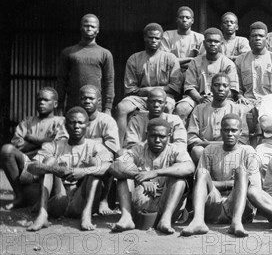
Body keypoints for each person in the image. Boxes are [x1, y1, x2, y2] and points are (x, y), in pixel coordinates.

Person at [26, 107, 113, 231]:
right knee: (49, 161)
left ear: (87, 125)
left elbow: (110, 167)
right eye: (72, 123)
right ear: (66, 126)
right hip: (60, 198)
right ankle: (43, 214)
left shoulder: (95, 146)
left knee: (95, 164)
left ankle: (86, 215)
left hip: (82, 199)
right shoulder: (55, 145)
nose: (76, 126)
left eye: (80, 123)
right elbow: (31, 166)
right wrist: (55, 170)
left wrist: (83, 171)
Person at [109, 118, 195, 234]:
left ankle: (165, 220)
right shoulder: (138, 149)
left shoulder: (175, 150)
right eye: (153, 136)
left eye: (162, 137)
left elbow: (189, 167)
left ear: (169, 136)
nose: (157, 140)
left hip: (167, 206)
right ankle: (126, 217)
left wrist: (155, 172)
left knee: (180, 180)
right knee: (122, 176)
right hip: (139, 208)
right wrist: (141, 178)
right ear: (146, 135)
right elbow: (115, 166)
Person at [181, 113, 261, 237]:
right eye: (226, 130)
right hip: (214, 204)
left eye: (234, 130)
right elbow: (201, 183)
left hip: (239, 205)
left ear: (240, 132)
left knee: (241, 172)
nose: (230, 134)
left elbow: (252, 186)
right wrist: (232, 184)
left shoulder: (248, 151)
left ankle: (236, 222)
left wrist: (224, 184)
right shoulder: (210, 150)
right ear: (221, 131)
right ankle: (198, 221)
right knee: (202, 172)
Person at [0, 88, 67, 210]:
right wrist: (46, 140)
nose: (41, 102)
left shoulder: (61, 122)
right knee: (6, 150)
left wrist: (31, 138)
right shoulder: (27, 121)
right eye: (39, 100)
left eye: (46, 100)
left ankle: (45, 200)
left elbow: (58, 146)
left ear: (55, 104)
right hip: (26, 164)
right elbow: (17, 144)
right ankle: (19, 197)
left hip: (48, 165)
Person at [116, 23, 181, 140]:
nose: (154, 40)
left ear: (161, 39)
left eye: (157, 38)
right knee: (122, 107)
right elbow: (130, 88)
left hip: (163, 97)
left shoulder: (170, 58)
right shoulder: (134, 59)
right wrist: (145, 92)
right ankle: (119, 146)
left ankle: (167, 143)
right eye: (150, 37)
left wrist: (151, 90)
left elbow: (175, 86)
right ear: (145, 38)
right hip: (140, 98)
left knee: (168, 106)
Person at [174, 27, 239, 121]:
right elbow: (190, 87)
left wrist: (216, 98)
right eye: (209, 41)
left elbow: (232, 90)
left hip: (222, 98)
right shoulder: (195, 62)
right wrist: (200, 99)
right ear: (204, 43)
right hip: (198, 97)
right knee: (181, 108)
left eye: (216, 41)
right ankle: (181, 134)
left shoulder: (228, 64)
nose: (212, 44)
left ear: (221, 44)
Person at [57, 14, 114, 115]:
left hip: (96, 107)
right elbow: (62, 81)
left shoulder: (105, 54)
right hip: (73, 106)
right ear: (80, 27)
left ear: (98, 30)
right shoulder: (68, 52)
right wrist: (60, 107)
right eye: (86, 25)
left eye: (93, 26)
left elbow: (109, 82)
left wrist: (108, 108)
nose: (89, 28)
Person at [187, 74, 249, 163]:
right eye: (216, 85)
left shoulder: (238, 109)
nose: (220, 88)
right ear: (211, 88)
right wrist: (206, 145)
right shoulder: (199, 109)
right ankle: (205, 175)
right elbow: (191, 137)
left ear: (229, 89)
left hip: (231, 150)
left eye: (225, 85)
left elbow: (243, 139)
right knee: (197, 151)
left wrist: (210, 144)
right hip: (206, 151)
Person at [79, 85, 120, 215]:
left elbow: (112, 146)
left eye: (91, 98)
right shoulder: (75, 119)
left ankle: (104, 199)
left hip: (99, 159)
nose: (87, 101)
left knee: (107, 159)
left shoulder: (106, 120)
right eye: (84, 98)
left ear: (98, 101)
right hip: (77, 158)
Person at [235, 22, 272, 106]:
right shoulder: (240, 60)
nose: (257, 38)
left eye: (261, 36)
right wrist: (240, 97)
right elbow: (237, 85)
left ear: (267, 39)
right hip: (246, 102)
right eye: (254, 36)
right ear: (249, 38)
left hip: (270, 102)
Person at [160, 6, 204, 71]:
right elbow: (165, 60)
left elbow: (202, 61)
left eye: (188, 18)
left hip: (192, 74)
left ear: (192, 21)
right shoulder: (167, 35)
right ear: (176, 19)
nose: (184, 20)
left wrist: (175, 63)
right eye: (181, 17)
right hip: (171, 73)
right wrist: (191, 59)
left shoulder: (199, 38)